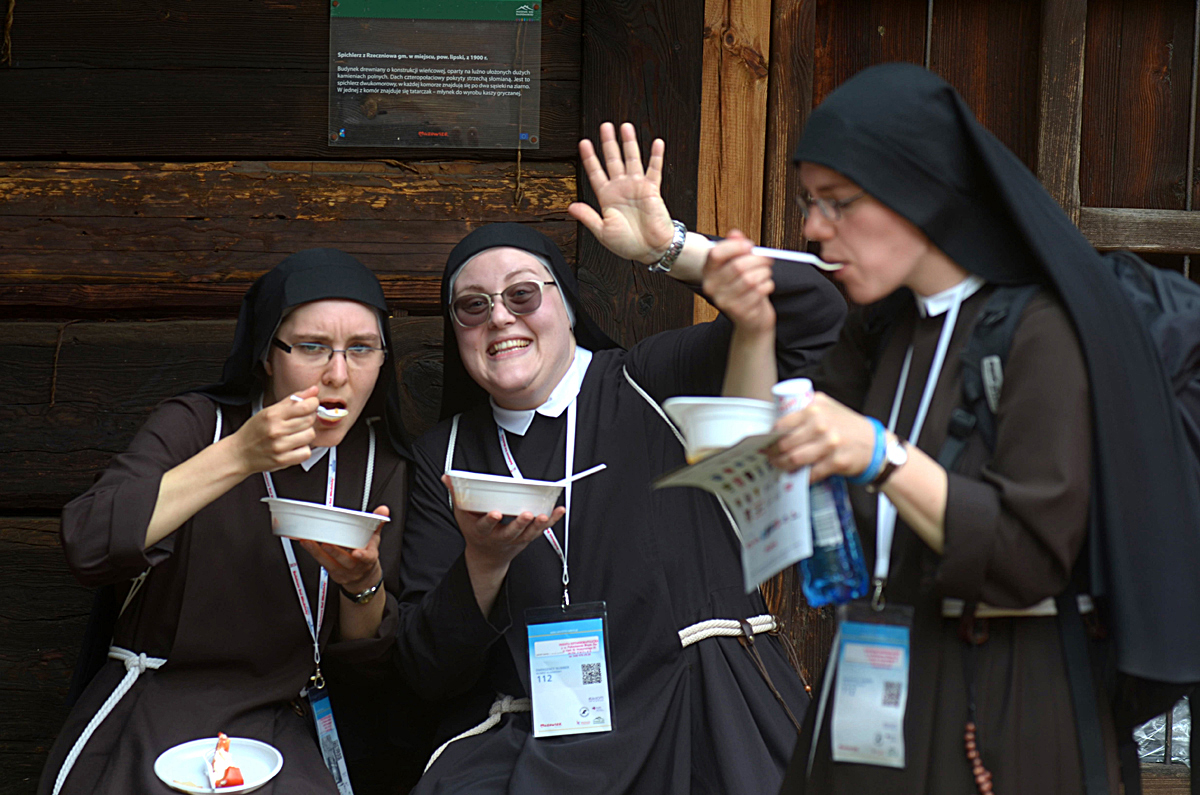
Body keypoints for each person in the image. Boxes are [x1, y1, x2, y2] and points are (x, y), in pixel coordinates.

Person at [755, 63, 1200, 794]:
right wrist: (736, 306)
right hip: (872, 687)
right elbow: (779, 466)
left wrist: (882, 455)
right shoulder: (886, 328)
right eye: (810, 201)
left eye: (838, 202)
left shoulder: (1043, 329)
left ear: (919, 189)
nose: (812, 227)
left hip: (1003, 711)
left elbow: (1028, 552)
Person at [390, 122, 847, 794]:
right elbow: (426, 667)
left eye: (523, 294)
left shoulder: (650, 379)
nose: (500, 317)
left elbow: (818, 314)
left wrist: (672, 249)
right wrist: (482, 564)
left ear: (568, 306)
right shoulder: (446, 456)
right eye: (472, 306)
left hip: (703, 713)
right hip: (540, 738)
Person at [39, 249, 423, 795]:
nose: (338, 373)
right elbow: (87, 542)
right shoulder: (200, 426)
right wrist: (240, 455)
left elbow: (366, 662)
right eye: (311, 347)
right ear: (267, 354)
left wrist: (362, 586)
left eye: (361, 349)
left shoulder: (377, 467)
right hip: (154, 704)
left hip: (284, 721)